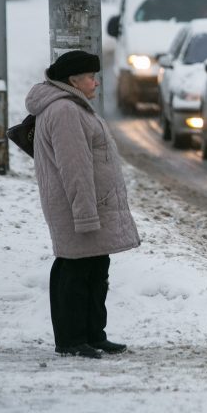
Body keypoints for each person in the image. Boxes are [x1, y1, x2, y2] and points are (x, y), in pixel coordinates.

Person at [25, 50, 140, 359]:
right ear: (73, 80)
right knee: (75, 271)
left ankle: (92, 335)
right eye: (91, 76)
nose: (97, 82)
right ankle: (71, 339)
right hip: (78, 208)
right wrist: (85, 213)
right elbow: (75, 167)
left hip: (90, 206)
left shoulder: (74, 107)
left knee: (94, 268)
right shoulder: (64, 111)